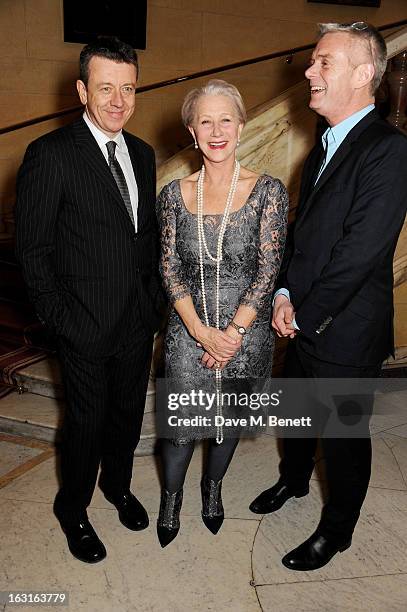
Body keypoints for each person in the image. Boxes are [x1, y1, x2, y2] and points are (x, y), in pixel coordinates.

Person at [250, 22, 407, 571]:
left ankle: (336, 531)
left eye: (323, 63)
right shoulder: (323, 145)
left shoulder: (389, 150)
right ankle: (293, 483)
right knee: (296, 416)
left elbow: (359, 252)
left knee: (342, 436)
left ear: (365, 74)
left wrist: (303, 313)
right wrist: (284, 292)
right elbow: (307, 236)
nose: (309, 73)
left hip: (345, 328)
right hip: (303, 313)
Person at [15, 37, 165, 563]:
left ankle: (118, 487)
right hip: (82, 324)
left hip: (135, 322)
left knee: (126, 415)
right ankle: (73, 509)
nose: (118, 101)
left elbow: (141, 238)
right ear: (82, 90)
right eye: (106, 88)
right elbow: (32, 251)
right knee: (85, 421)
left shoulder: (143, 154)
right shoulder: (49, 154)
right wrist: (61, 320)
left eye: (128, 89)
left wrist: (153, 305)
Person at [155, 79, 289, 547]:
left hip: (245, 333)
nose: (216, 130)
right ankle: (170, 500)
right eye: (205, 121)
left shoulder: (268, 191)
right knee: (180, 433)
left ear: (241, 124)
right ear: (191, 132)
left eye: (225, 119)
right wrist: (199, 332)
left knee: (228, 423)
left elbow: (268, 270)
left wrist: (231, 334)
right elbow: (169, 268)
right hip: (187, 329)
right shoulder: (173, 194)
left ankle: (212, 491)